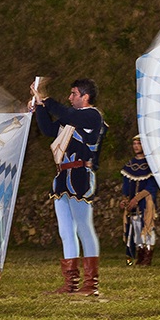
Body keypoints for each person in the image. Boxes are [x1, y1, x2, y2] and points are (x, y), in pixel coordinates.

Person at [32, 77, 107, 296]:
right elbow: (47, 129)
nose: (70, 97)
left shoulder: (92, 115)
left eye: (74, 93)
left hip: (80, 175)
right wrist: (39, 106)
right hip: (63, 175)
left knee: (84, 227)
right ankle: (70, 283)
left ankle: (91, 284)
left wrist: (46, 99)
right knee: (66, 231)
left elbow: (67, 114)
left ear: (85, 96)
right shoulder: (72, 119)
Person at [120, 135, 158, 266]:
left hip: (146, 203)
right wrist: (125, 200)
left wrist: (137, 199)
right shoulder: (129, 165)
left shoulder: (151, 165)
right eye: (134, 143)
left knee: (147, 229)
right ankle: (140, 256)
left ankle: (147, 257)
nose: (136, 146)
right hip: (132, 206)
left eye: (139, 143)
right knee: (136, 230)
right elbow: (125, 185)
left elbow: (152, 186)